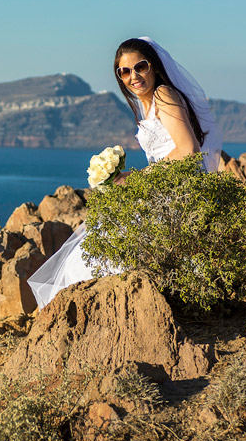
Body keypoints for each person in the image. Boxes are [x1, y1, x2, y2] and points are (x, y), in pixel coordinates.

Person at [27, 36, 223, 309]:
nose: (134, 76)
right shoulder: (148, 104)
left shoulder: (164, 95)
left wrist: (139, 178)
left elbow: (189, 150)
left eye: (140, 67)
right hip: (165, 186)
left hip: (178, 190)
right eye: (125, 71)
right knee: (97, 245)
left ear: (153, 66)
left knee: (98, 250)